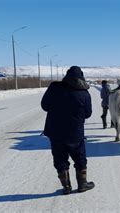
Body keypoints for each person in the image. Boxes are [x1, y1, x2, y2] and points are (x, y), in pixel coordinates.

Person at [41, 66, 95, 195]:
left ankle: (66, 187)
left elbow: (45, 106)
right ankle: (82, 184)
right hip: (75, 133)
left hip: (55, 132)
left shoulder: (54, 88)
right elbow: (88, 114)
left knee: (60, 159)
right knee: (80, 157)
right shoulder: (84, 92)